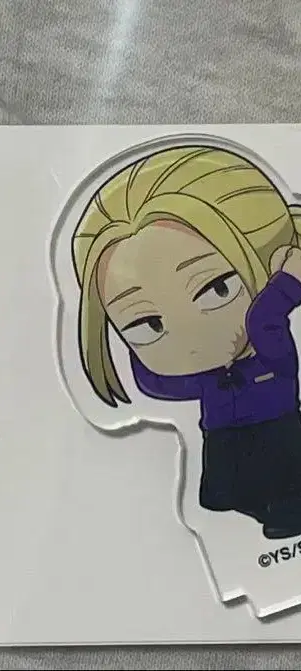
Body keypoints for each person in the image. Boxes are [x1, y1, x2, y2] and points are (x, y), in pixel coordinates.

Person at [71, 145, 301, 540]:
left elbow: (263, 321)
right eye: (142, 321)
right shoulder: (206, 376)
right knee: (233, 497)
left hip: (276, 439)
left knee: (282, 498)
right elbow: (157, 382)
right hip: (224, 446)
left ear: (274, 262)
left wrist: (290, 282)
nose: (190, 336)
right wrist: (143, 343)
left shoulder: (272, 355)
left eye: (217, 288)